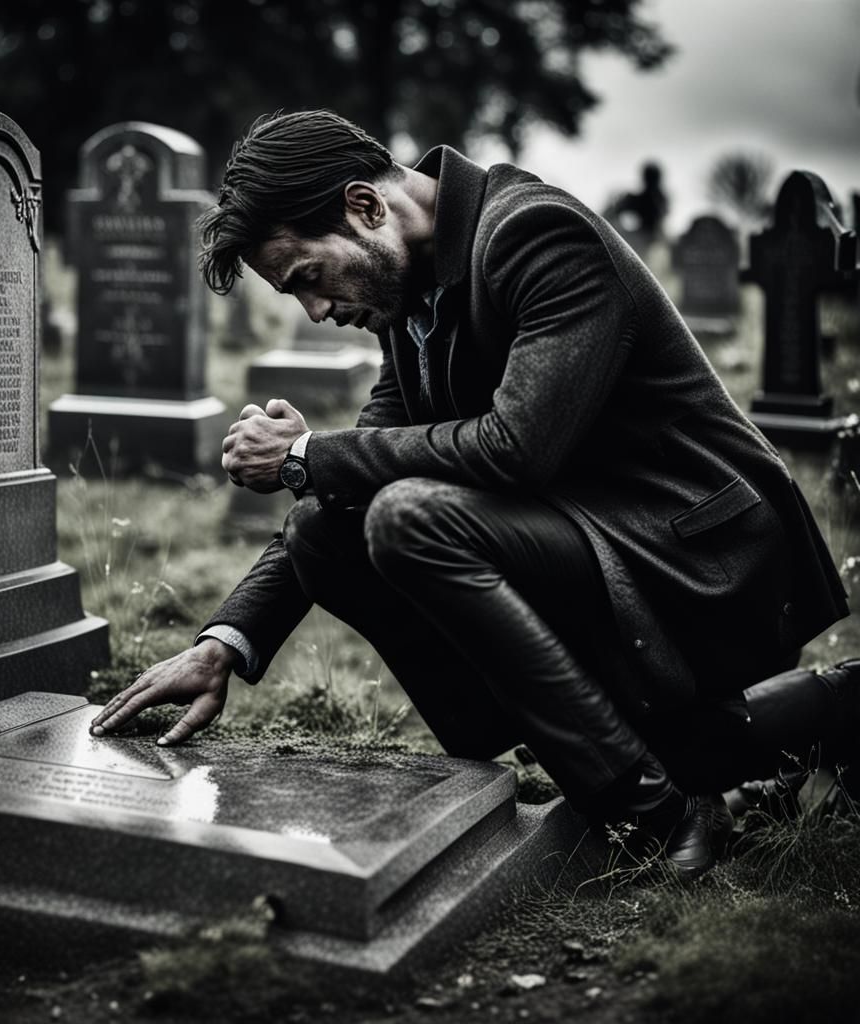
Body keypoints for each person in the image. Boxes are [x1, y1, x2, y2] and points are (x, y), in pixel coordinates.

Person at [90, 110, 855, 880]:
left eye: (310, 279)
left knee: (409, 519)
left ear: (366, 206)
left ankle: (650, 800)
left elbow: (516, 448)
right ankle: (635, 746)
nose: (317, 312)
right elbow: (344, 489)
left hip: (700, 549)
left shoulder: (538, 234)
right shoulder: (409, 289)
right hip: (592, 537)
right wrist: (223, 643)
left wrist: (303, 452)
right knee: (332, 526)